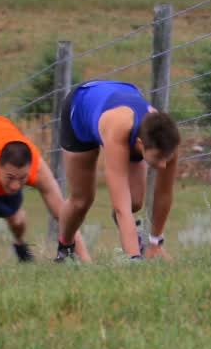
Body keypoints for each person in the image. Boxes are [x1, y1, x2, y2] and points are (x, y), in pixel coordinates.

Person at [55, 80, 181, 262]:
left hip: (120, 95)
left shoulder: (168, 140)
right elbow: (120, 205)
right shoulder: (119, 130)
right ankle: (65, 248)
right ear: (140, 144)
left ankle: (131, 234)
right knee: (82, 200)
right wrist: (134, 259)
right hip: (81, 107)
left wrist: (156, 243)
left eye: (166, 158)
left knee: (135, 201)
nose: (163, 165)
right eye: (158, 158)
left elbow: (164, 193)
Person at [0, 115, 90, 267]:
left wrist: (85, 259)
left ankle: (19, 244)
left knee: (17, 221)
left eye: (22, 179)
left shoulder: (37, 168)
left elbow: (63, 213)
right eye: (10, 178)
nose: (15, 186)